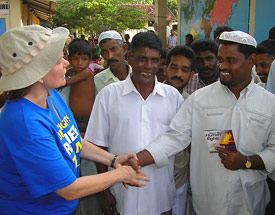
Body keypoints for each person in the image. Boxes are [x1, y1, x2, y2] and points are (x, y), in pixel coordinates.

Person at [0, 25, 148, 215]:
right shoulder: (25, 124)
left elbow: (72, 138)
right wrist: (120, 174)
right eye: (57, 61)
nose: (66, 64)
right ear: (37, 75)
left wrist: (114, 159)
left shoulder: (50, 96)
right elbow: (69, 189)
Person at [143, 30, 275, 215]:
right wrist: (138, 159)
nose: (222, 66)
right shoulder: (199, 99)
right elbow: (175, 138)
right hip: (207, 204)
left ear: (251, 61)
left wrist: (246, 161)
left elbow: (273, 150)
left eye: (231, 60)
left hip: (250, 203)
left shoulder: (269, 104)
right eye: (221, 59)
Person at [85, 31, 184, 215]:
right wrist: (105, 192)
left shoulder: (173, 97)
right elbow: (98, 145)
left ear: (161, 62)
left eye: (154, 60)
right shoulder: (108, 95)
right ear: (129, 57)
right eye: (142, 59)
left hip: (160, 195)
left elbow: (178, 141)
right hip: (121, 193)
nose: (148, 66)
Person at [163, 45, 195, 215]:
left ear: (191, 74)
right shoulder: (150, 97)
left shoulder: (193, 103)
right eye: (174, 67)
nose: (178, 74)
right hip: (150, 178)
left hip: (179, 179)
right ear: (165, 68)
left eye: (185, 70)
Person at [64, 38, 95, 136]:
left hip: (86, 118)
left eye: (84, 59)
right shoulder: (73, 72)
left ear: (89, 60)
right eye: (75, 59)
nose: (80, 63)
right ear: (69, 59)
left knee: (83, 143)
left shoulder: (86, 73)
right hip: (75, 117)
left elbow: (63, 83)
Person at [94, 30, 130, 95]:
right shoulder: (97, 81)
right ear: (101, 54)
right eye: (105, 52)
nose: (110, 56)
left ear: (124, 49)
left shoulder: (139, 75)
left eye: (113, 49)